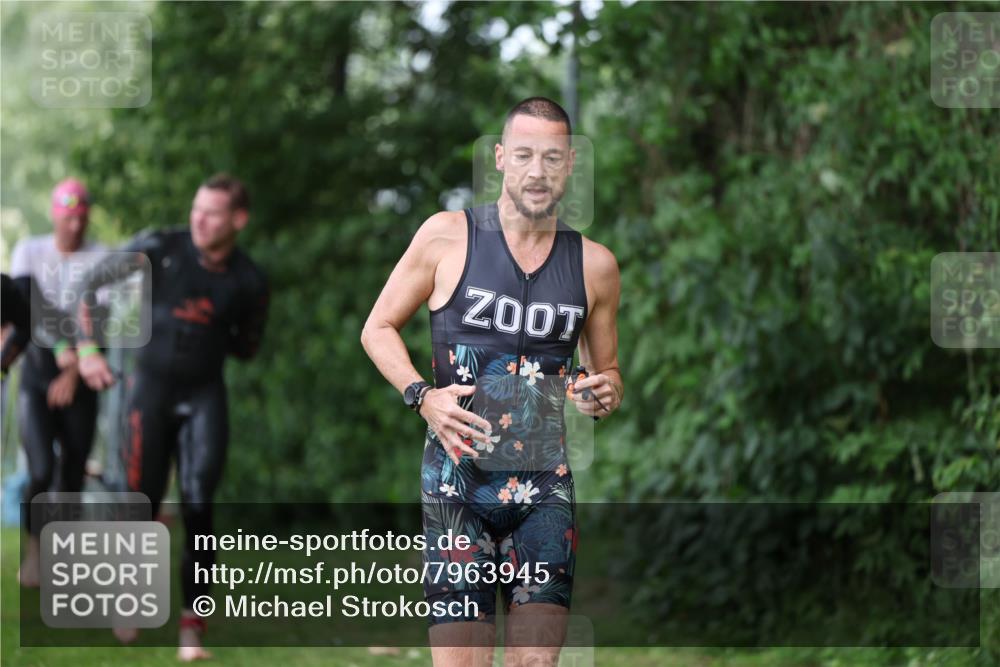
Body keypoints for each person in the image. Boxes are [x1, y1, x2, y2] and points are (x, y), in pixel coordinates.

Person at [361, 97, 623, 667]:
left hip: (544, 491)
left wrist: (603, 392)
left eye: (552, 158)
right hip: (457, 484)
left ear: (571, 163)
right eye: (524, 154)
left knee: (536, 662)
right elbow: (377, 328)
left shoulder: (595, 265)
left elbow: (609, 376)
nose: (537, 171)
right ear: (501, 158)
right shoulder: (446, 238)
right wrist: (421, 396)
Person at [75, 173, 269, 661]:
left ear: (237, 220)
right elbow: (89, 284)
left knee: (200, 508)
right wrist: (87, 349)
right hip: (150, 393)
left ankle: (191, 629)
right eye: (195, 209)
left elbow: (247, 347)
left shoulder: (249, 281)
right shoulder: (160, 247)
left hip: (204, 397)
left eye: (213, 212)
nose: (199, 219)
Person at [8, 179, 107, 588]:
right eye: (68, 217)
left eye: (82, 217)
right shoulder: (29, 252)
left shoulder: (101, 256)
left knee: (70, 475)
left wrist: (71, 372)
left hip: (80, 375)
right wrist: (60, 348)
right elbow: (21, 309)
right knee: (39, 470)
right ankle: (34, 553)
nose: (75, 225)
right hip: (35, 371)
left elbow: (98, 321)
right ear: (54, 215)